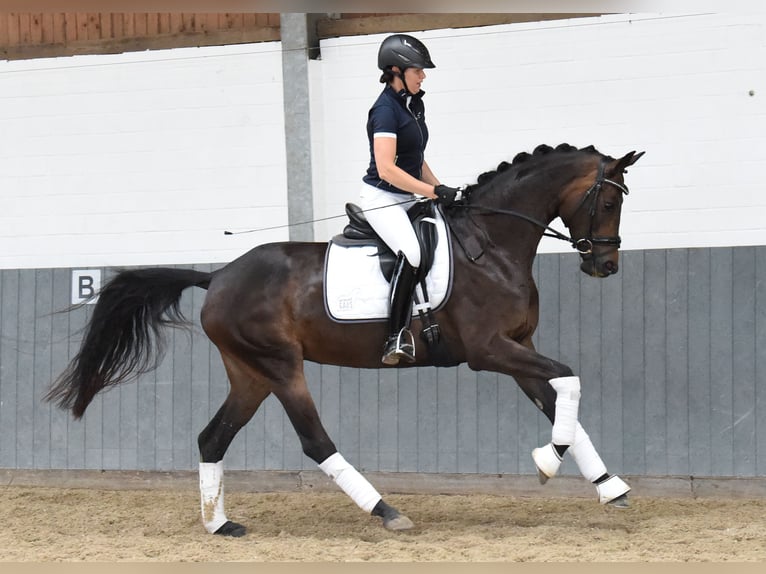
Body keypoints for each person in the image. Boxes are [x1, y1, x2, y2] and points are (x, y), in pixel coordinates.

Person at [360, 34, 461, 366]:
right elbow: (387, 168)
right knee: (413, 253)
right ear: (395, 71)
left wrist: (442, 188)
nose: (423, 75)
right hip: (382, 197)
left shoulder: (414, 103)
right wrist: (431, 192)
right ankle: (395, 336)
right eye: (417, 70)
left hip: (407, 196)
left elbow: (416, 157)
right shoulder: (385, 110)